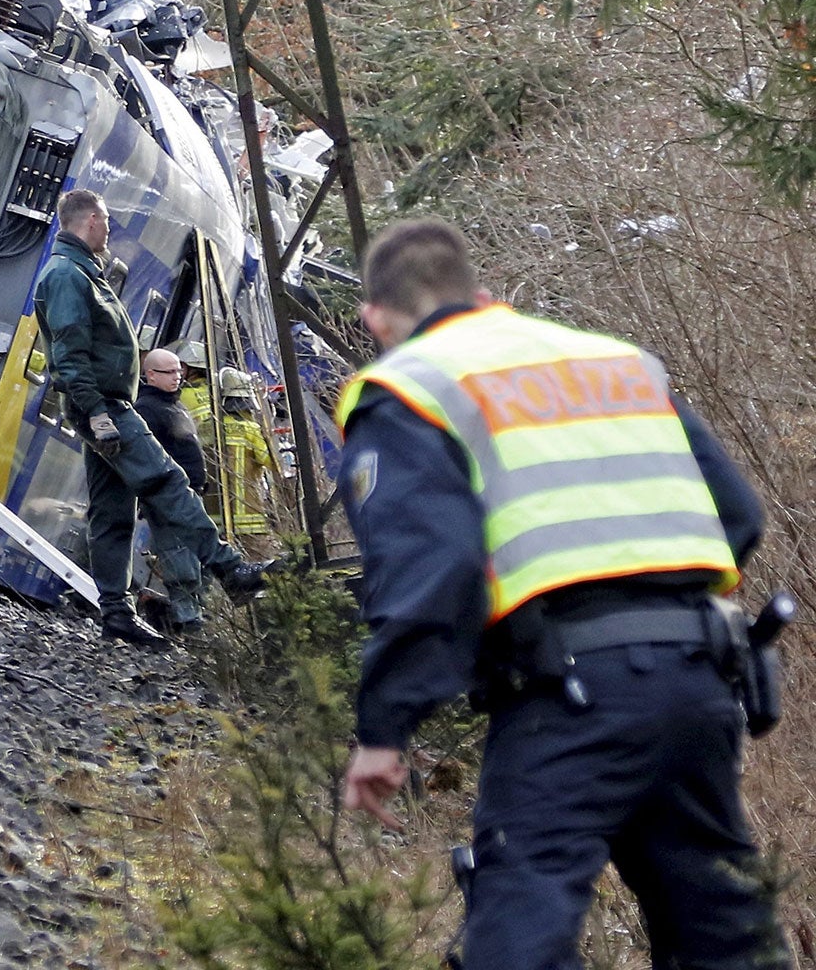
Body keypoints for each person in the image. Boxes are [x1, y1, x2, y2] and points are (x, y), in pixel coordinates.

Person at [335, 218, 784, 969]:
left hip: (568, 693)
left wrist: (385, 729)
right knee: (723, 927)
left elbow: (431, 572)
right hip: (702, 681)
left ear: (374, 319)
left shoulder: (410, 386)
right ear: (483, 296)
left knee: (523, 919)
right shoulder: (618, 362)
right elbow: (736, 515)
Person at [34, 189, 269, 646]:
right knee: (167, 482)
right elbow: (69, 351)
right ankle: (229, 569)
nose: (109, 228)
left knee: (113, 512)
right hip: (104, 407)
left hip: (100, 407)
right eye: (105, 219)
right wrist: (97, 412)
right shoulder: (68, 276)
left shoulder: (81, 272)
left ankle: (117, 616)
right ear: (88, 222)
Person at [215, 367, 277, 535]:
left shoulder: (208, 426)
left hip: (214, 518)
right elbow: (271, 462)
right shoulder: (250, 428)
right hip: (249, 516)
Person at [135, 348, 205, 491]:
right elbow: (147, 459)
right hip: (172, 496)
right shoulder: (146, 409)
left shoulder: (177, 404)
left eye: (179, 371)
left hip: (189, 493)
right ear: (151, 374)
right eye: (170, 372)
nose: (177, 377)